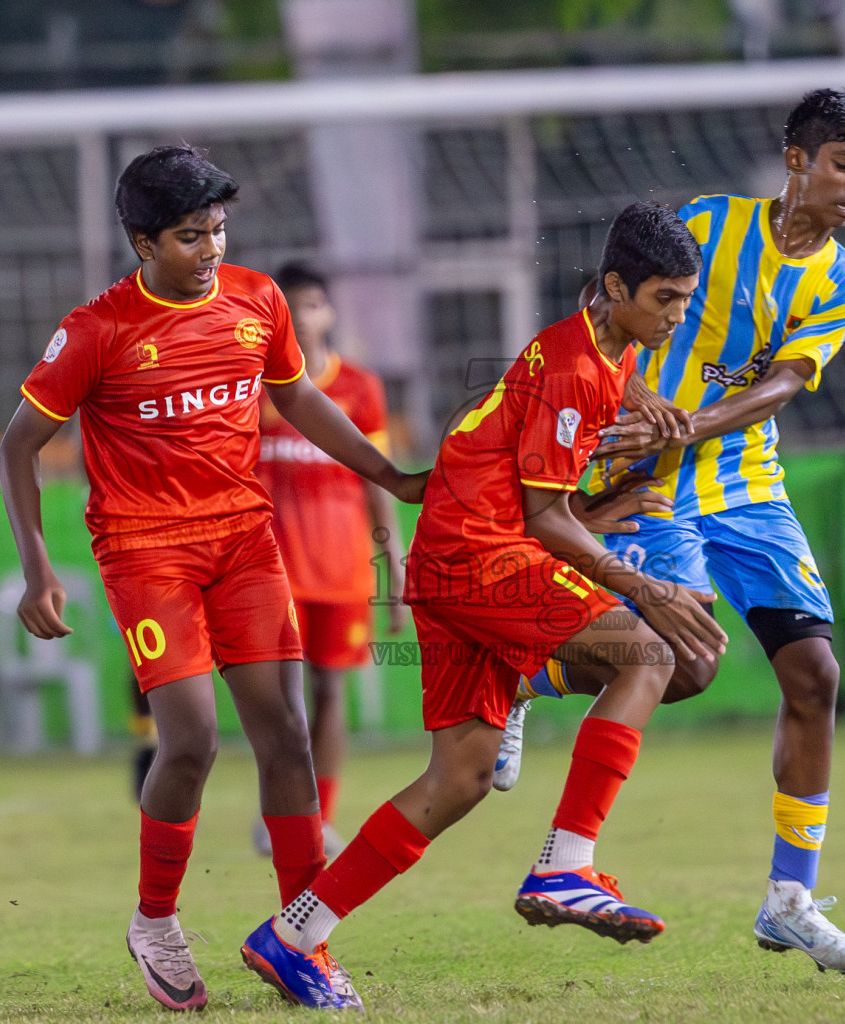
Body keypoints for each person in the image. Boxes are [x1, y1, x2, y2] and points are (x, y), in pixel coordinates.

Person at [236, 201, 728, 1011]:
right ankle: (567, 863)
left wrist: (637, 398)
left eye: (685, 297)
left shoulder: (597, 342)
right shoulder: (574, 370)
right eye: (667, 299)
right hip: (480, 555)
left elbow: (568, 401)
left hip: (449, 561)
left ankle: (292, 936)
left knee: (459, 778)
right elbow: (543, 517)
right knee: (653, 654)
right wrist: (638, 584)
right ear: (615, 287)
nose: (679, 315)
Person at [0, 145, 425, 1013]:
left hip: (242, 542)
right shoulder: (97, 331)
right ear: (141, 241)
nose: (212, 251)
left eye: (220, 231)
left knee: (290, 737)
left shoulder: (257, 300)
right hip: (145, 551)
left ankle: (305, 939)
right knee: (190, 738)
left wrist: (391, 476)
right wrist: (36, 567)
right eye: (192, 237)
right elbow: (17, 446)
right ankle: (155, 919)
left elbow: (300, 398)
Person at [497, 89, 845, 974]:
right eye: (842, 163)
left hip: (746, 482)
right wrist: (638, 403)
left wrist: (685, 422)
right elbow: (606, 303)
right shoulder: (710, 225)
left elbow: (786, 383)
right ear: (796, 159)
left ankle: (790, 900)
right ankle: (530, 675)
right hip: (648, 479)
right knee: (685, 664)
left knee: (816, 673)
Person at [251, 262, 407, 859]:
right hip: (271, 569)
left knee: (329, 692)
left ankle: (321, 815)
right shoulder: (255, 387)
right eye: (292, 308)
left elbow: (376, 480)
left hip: (340, 568)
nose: (304, 319)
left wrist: (390, 562)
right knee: (285, 698)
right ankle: (285, 813)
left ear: (329, 313)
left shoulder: (361, 389)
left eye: (313, 306)